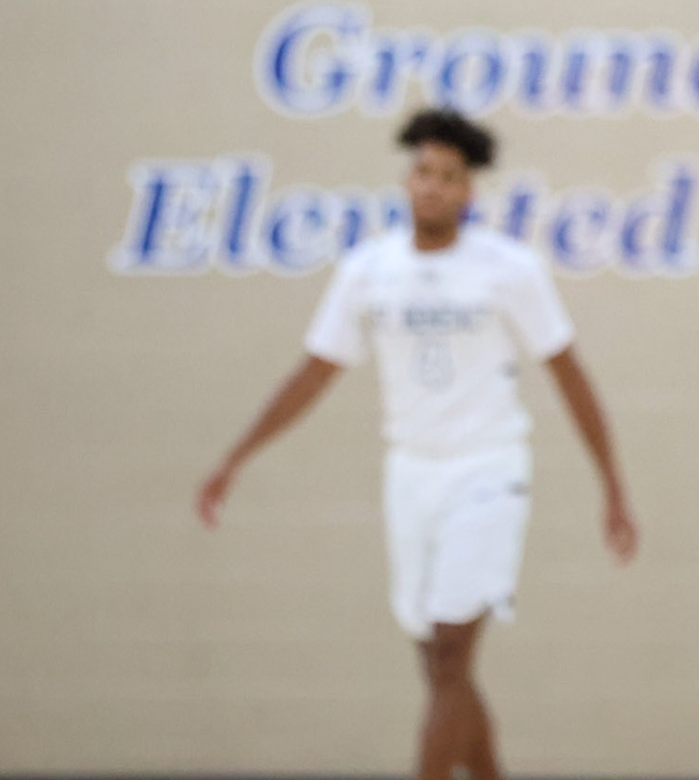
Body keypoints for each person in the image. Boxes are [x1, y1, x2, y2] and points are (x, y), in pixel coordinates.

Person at [197, 108, 638, 780]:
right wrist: (234, 458)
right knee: (441, 666)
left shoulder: (508, 268)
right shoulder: (368, 270)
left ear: (468, 191)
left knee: (452, 655)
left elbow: (570, 374)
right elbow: (314, 372)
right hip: (410, 473)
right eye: (423, 172)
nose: (432, 186)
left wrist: (612, 486)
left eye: (448, 177)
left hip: (489, 471)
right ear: (408, 180)